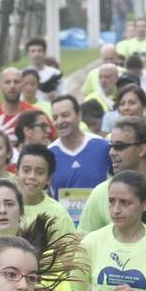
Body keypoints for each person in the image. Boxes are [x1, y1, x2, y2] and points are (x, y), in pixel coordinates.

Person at [78, 116, 146, 250]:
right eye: (111, 146)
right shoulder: (101, 192)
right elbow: (81, 245)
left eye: (119, 146)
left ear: (142, 149)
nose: (112, 152)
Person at [49, 95, 113, 227]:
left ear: (79, 115)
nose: (60, 121)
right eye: (55, 117)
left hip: (100, 229)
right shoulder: (49, 154)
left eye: (65, 115)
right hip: (65, 232)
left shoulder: (102, 146)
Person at [17, 143, 74, 234]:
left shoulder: (58, 213)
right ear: (16, 173)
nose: (32, 176)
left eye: (39, 172)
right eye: (26, 170)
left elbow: (69, 247)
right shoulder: (4, 206)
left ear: (48, 179)